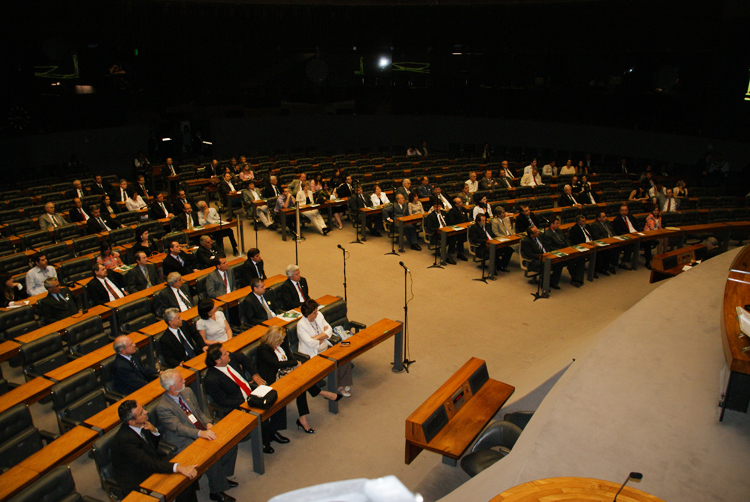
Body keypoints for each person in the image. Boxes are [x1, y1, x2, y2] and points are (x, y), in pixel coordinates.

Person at [155, 370, 238, 502]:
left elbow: (199, 412)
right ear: (172, 387)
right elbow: (178, 428)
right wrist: (200, 433)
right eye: (180, 380)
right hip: (185, 441)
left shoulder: (187, 391)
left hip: (201, 430)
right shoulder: (163, 407)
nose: (184, 381)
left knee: (230, 442)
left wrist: (208, 423)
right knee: (211, 455)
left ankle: (221, 477)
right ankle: (216, 491)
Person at [203, 344, 286, 454]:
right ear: (218, 361)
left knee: (277, 399)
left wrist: (254, 374)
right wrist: (245, 402)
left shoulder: (230, 359)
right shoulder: (211, 379)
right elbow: (222, 401)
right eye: (224, 354)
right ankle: (265, 443)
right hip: (239, 403)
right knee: (261, 412)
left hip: (251, 393)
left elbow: (243, 357)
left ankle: (272, 431)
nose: (228, 354)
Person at [111, 400, 198, 501]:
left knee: (187, 469)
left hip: (150, 462)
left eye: (143, 408)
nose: (146, 412)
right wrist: (177, 468)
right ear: (132, 422)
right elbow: (147, 463)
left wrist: (154, 431)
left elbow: (152, 447)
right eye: (141, 413)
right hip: (137, 477)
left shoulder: (141, 424)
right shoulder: (126, 440)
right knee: (182, 478)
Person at [296, 300, 353, 402]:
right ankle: (337, 386)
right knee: (332, 363)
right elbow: (310, 343)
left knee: (344, 356)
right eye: (314, 312)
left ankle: (342, 384)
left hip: (325, 347)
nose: (317, 314)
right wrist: (323, 335)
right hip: (313, 354)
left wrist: (317, 337)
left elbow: (329, 331)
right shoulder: (301, 325)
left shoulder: (319, 316)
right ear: (308, 314)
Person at [543, 217, 585, 287]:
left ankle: (578, 279)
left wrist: (568, 247)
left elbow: (566, 239)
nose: (558, 225)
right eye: (557, 223)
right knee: (570, 262)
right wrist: (562, 250)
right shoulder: (547, 234)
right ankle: (575, 279)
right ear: (552, 224)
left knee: (581, 258)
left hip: (566, 250)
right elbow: (549, 248)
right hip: (558, 253)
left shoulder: (559, 231)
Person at [521, 226, 562, 291]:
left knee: (559, 262)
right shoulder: (526, 241)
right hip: (534, 260)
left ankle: (553, 282)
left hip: (545, 255)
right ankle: (544, 285)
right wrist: (542, 256)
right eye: (536, 232)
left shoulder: (540, 237)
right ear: (532, 235)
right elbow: (529, 254)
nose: (539, 232)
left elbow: (547, 246)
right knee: (545, 264)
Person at [424, 198, 458, 264]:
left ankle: (449, 254)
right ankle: (447, 257)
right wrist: (439, 230)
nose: (437, 208)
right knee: (451, 238)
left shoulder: (444, 213)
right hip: (437, 233)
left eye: (438, 206)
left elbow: (448, 222)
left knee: (455, 236)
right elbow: (429, 228)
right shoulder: (431, 216)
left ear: (441, 206)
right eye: (435, 207)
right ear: (433, 207)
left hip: (446, 231)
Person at [589, 211, 619, 276]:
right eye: (603, 216)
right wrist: (608, 240)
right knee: (609, 251)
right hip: (603, 243)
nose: (606, 217)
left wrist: (616, 237)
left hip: (612, 240)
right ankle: (603, 268)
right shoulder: (595, 225)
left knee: (618, 247)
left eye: (605, 216)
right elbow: (597, 237)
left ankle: (612, 266)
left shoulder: (607, 222)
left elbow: (612, 231)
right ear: (598, 218)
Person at [612, 205, 640, 270]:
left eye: (625, 210)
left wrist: (636, 232)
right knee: (628, 246)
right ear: (619, 211)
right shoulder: (617, 220)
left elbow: (636, 226)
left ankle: (624, 262)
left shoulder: (630, 217)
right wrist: (630, 234)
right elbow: (619, 232)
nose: (624, 212)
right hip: (625, 237)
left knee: (646, 242)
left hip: (635, 234)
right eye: (622, 211)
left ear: (628, 211)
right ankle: (622, 263)